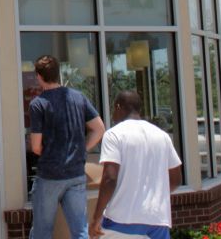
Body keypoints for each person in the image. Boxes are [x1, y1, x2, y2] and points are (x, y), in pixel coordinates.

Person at [28, 54, 106, 239]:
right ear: (58, 74)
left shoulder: (38, 104)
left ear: (39, 76)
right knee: (80, 231)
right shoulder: (78, 98)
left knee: (42, 231)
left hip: (49, 175)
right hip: (76, 173)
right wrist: (83, 148)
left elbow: (36, 147)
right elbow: (99, 129)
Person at [89, 91, 183, 239]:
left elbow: (109, 178)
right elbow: (176, 178)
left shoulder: (114, 135)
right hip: (157, 222)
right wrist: (154, 197)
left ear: (119, 107)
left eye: (114, 108)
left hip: (121, 221)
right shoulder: (162, 136)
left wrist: (96, 217)